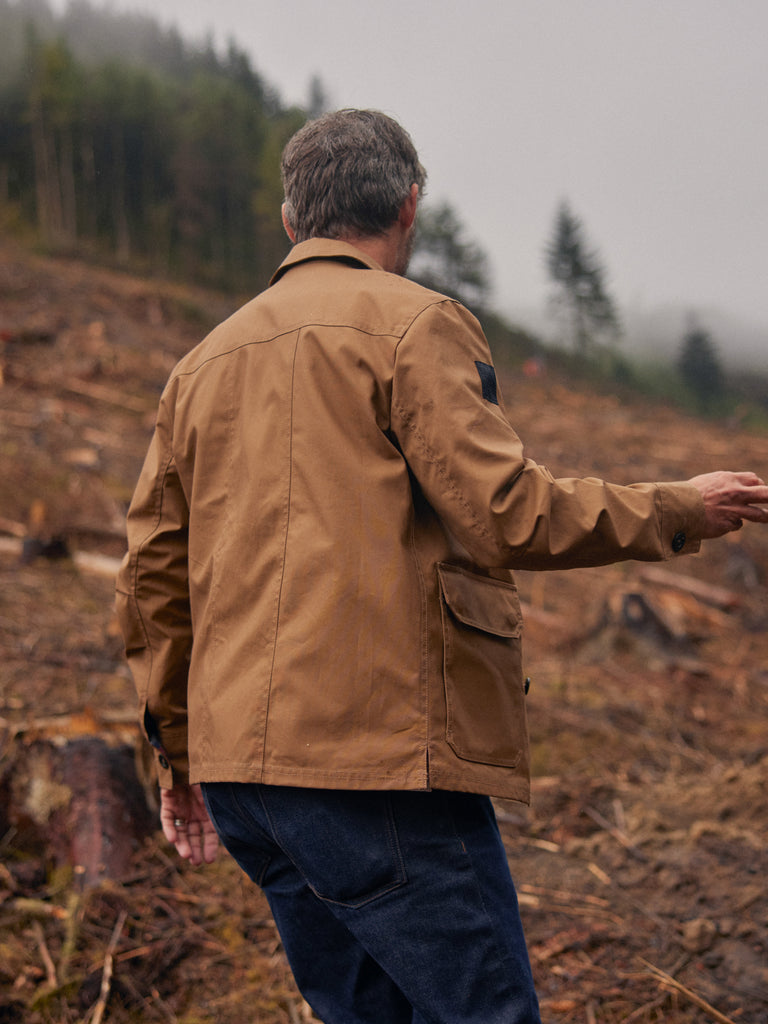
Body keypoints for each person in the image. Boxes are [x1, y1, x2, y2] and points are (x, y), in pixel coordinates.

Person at [115, 109, 768, 1024]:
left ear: (290, 222)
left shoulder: (199, 366)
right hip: (372, 763)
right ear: (409, 206)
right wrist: (680, 507)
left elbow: (150, 579)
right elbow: (510, 513)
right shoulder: (415, 326)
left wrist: (177, 754)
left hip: (244, 784)